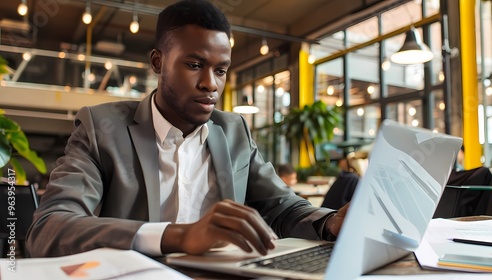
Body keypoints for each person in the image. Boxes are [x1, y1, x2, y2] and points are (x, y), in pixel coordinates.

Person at [26, 0, 348, 258]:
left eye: (220, 70)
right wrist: (178, 236)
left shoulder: (234, 130)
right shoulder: (102, 129)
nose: (211, 84)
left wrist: (330, 221)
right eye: (195, 65)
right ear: (158, 63)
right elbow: (49, 228)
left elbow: (283, 208)